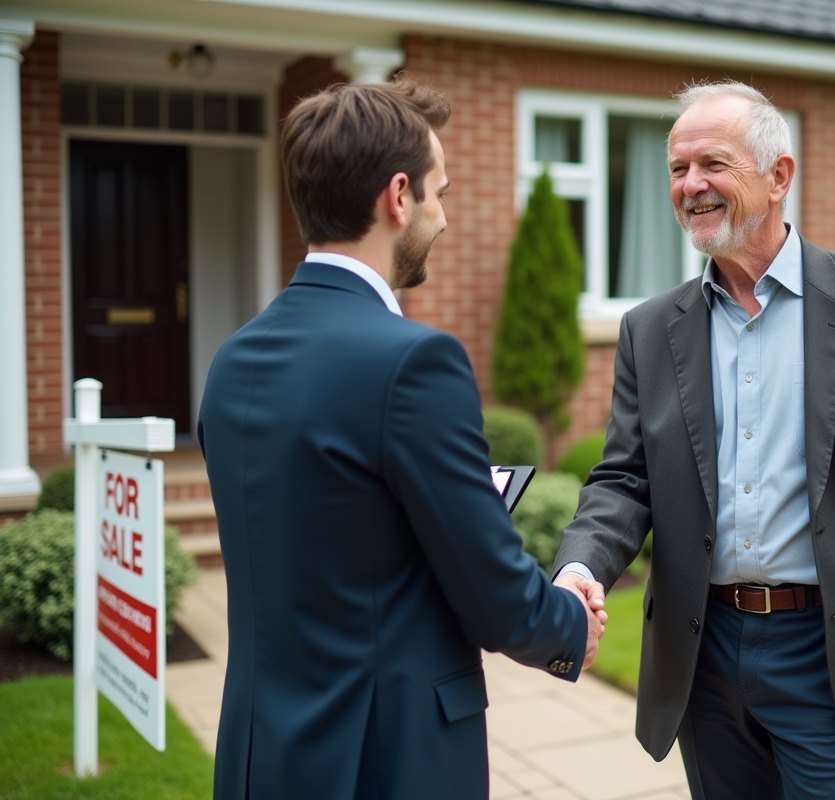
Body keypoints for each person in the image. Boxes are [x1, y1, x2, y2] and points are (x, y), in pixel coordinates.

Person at [552, 81, 835, 799]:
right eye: (678, 170)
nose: (692, 186)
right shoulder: (650, 330)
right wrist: (580, 567)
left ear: (779, 177)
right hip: (703, 651)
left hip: (833, 652)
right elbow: (624, 478)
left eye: (712, 164)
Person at [198, 76, 604, 800]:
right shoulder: (415, 362)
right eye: (438, 191)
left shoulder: (232, 361)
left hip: (264, 756)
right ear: (397, 196)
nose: (443, 217)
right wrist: (568, 621)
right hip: (385, 756)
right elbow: (494, 597)